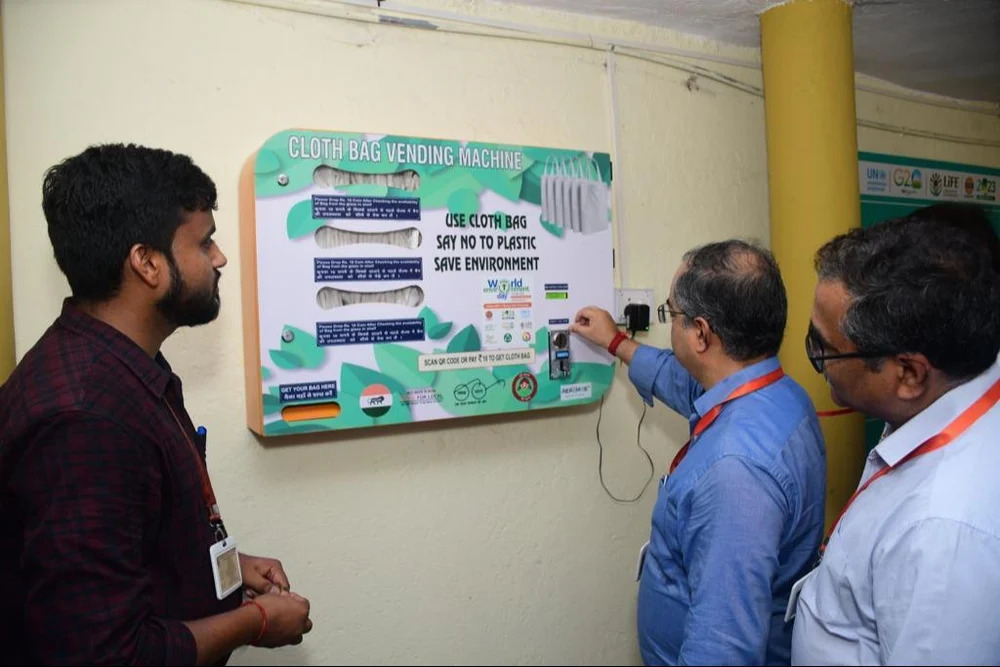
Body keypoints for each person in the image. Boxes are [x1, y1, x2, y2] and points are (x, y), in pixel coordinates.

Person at [0, 144, 313, 665]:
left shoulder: (124, 369)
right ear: (146, 262)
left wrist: (227, 572)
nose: (219, 258)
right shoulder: (85, 420)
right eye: (204, 242)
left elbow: (130, 548)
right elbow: (107, 654)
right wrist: (255, 621)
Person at [572, 240, 826, 665]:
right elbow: (684, 382)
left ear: (702, 334)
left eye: (672, 314)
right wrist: (615, 342)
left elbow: (723, 648)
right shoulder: (776, 396)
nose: (670, 323)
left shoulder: (736, 472)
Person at [792, 206, 1000, 665]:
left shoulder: (944, 533)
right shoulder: (954, 393)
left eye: (823, 348)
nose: (816, 359)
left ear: (908, 374)